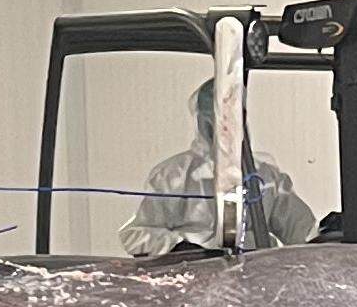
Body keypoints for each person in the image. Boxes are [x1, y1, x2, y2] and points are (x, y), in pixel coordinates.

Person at [119, 77, 316, 257]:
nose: (225, 127)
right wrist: (179, 247)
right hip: (191, 277)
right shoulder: (173, 176)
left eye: (233, 117)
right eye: (217, 118)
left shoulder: (265, 177)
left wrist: (326, 233)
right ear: (201, 121)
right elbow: (136, 235)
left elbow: (302, 232)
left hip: (256, 275)